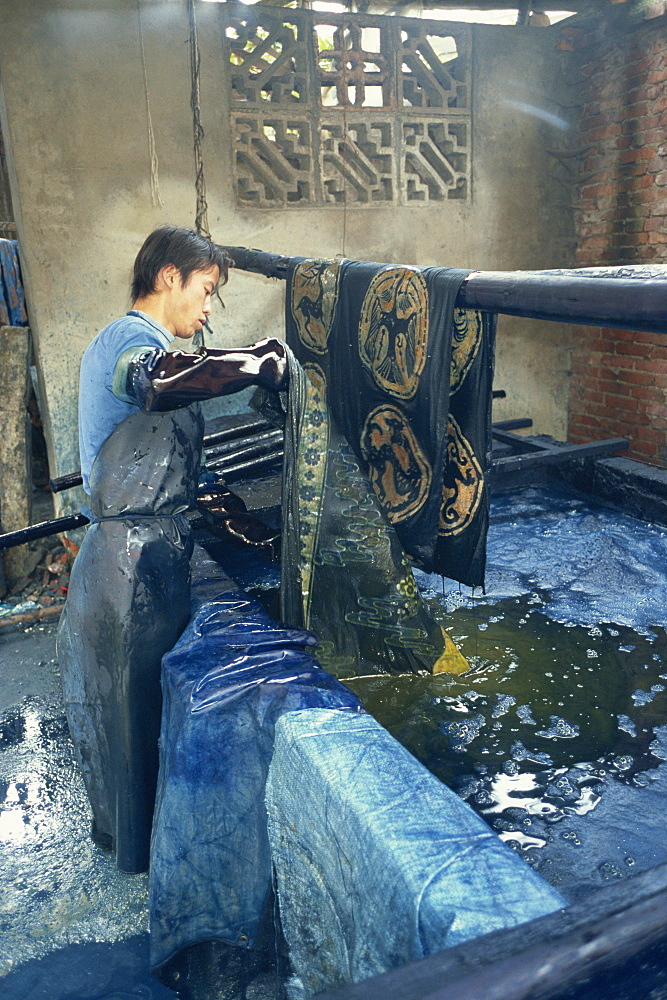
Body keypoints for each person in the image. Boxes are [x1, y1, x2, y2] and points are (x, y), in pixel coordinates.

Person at [57, 226, 287, 873]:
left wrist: (238, 521)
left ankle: (142, 879)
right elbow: (155, 383)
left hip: (149, 559)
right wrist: (261, 363)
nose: (208, 309)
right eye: (206, 290)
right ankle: (141, 904)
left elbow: (173, 465)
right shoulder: (131, 344)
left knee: (141, 742)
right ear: (168, 278)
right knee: (131, 747)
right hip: (128, 572)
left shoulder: (147, 344)